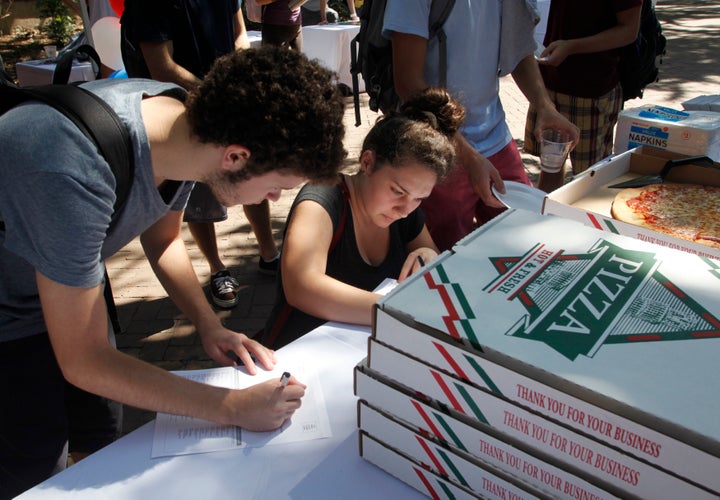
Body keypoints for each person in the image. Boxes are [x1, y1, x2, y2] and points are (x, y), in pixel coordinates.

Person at [0, 46, 346, 498]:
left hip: (68, 288)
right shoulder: (71, 171)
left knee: (99, 436)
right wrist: (230, 406)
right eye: (278, 186)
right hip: (10, 322)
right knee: (30, 466)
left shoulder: (185, 130)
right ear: (237, 157)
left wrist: (208, 325)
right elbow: (84, 361)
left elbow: (162, 240)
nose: (274, 200)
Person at [261, 87, 461, 349]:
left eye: (419, 199)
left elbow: (428, 252)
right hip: (297, 358)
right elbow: (301, 286)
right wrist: (393, 312)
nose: (405, 209)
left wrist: (428, 256)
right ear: (367, 162)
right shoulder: (323, 198)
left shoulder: (404, 211)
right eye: (398, 191)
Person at [120, 0, 282, 310]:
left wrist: (241, 81)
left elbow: (239, 34)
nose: (278, 195)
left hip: (226, 101)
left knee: (255, 177)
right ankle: (217, 268)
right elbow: (162, 66)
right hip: (182, 111)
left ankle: (269, 254)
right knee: (195, 193)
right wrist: (218, 96)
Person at [383, 0, 580, 252]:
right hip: (438, 146)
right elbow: (408, 83)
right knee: (448, 259)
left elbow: (517, 49)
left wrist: (545, 106)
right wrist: (467, 156)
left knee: (528, 242)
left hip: (495, 136)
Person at [524, 0, 643, 192]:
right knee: (550, 168)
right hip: (548, 84)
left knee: (590, 178)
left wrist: (571, 46)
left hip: (591, 90)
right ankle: (544, 217)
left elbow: (629, 30)